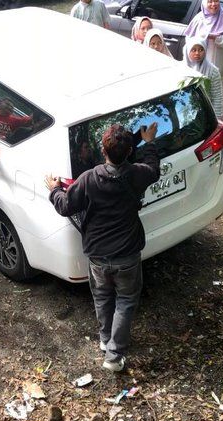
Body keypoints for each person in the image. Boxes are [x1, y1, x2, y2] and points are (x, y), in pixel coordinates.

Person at [45, 122, 160, 372]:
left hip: (98, 255)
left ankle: (106, 341)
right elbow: (153, 170)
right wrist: (149, 142)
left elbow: (65, 207)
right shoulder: (137, 173)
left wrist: (54, 190)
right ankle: (114, 355)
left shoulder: (88, 179)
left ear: (102, 150)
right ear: (129, 152)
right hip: (128, 255)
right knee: (126, 301)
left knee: (102, 298)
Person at [184, 0, 223, 119]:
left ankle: (217, 121)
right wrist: (197, 44)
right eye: (210, 1)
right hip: (199, 66)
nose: (213, 4)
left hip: (217, 62)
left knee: (216, 93)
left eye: (216, 1)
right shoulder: (199, 19)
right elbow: (188, 39)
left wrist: (218, 38)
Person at [182, 38, 223, 120]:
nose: (197, 53)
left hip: (206, 115)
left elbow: (217, 97)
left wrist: (217, 119)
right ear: (187, 51)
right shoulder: (181, 69)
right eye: (193, 50)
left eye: (201, 49)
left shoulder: (213, 71)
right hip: (184, 115)